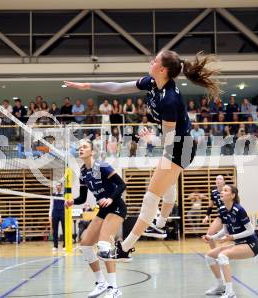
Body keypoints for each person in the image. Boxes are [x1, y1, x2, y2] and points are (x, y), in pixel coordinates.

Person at [65, 49, 220, 260]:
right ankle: (160, 225)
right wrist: (88, 86)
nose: (151, 61)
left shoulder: (170, 100)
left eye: (154, 60)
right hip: (177, 145)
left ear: (162, 69)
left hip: (179, 146)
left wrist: (150, 140)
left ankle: (126, 247)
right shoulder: (151, 82)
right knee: (168, 187)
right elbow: (118, 87)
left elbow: (168, 140)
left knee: (151, 196)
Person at [65, 140, 127, 298]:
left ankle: (114, 288)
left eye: (84, 147)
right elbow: (83, 198)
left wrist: (111, 198)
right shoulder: (83, 173)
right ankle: (101, 283)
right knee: (85, 244)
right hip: (103, 210)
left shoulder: (102, 166)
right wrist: (72, 201)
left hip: (116, 206)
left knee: (104, 243)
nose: (81, 149)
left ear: (92, 152)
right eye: (79, 148)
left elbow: (121, 184)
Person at [203, 185, 258, 298]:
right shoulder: (223, 210)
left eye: (225, 190)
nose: (222, 192)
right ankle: (220, 286)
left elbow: (251, 230)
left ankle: (230, 292)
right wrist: (212, 238)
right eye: (222, 190)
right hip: (239, 243)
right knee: (209, 256)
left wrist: (232, 237)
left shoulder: (239, 210)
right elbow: (225, 230)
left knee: (222, 256)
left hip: (251, 244)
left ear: (233, 195)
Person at [191, 176, 225, 249]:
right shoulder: (213, 191)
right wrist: (207, 216)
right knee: (209, 235)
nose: (218, 180)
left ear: (223, 182)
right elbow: (210, 205)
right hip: (221, 217)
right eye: (216, 179)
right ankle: (216, 255)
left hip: (230, 216)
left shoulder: (227, 190)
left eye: (220, 179)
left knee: (227, 237)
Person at [49, 183, 65, 250]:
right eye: (57, 185)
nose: (58, 187)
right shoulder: (53, 194)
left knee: (64, 229)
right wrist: (49, 215)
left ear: (61, 186)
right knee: (55, 230)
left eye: (59, 185)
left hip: (62, 212)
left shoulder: (65, 194)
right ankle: (55, 245)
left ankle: (65, 245)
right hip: (55, 212)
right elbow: (51, 205)